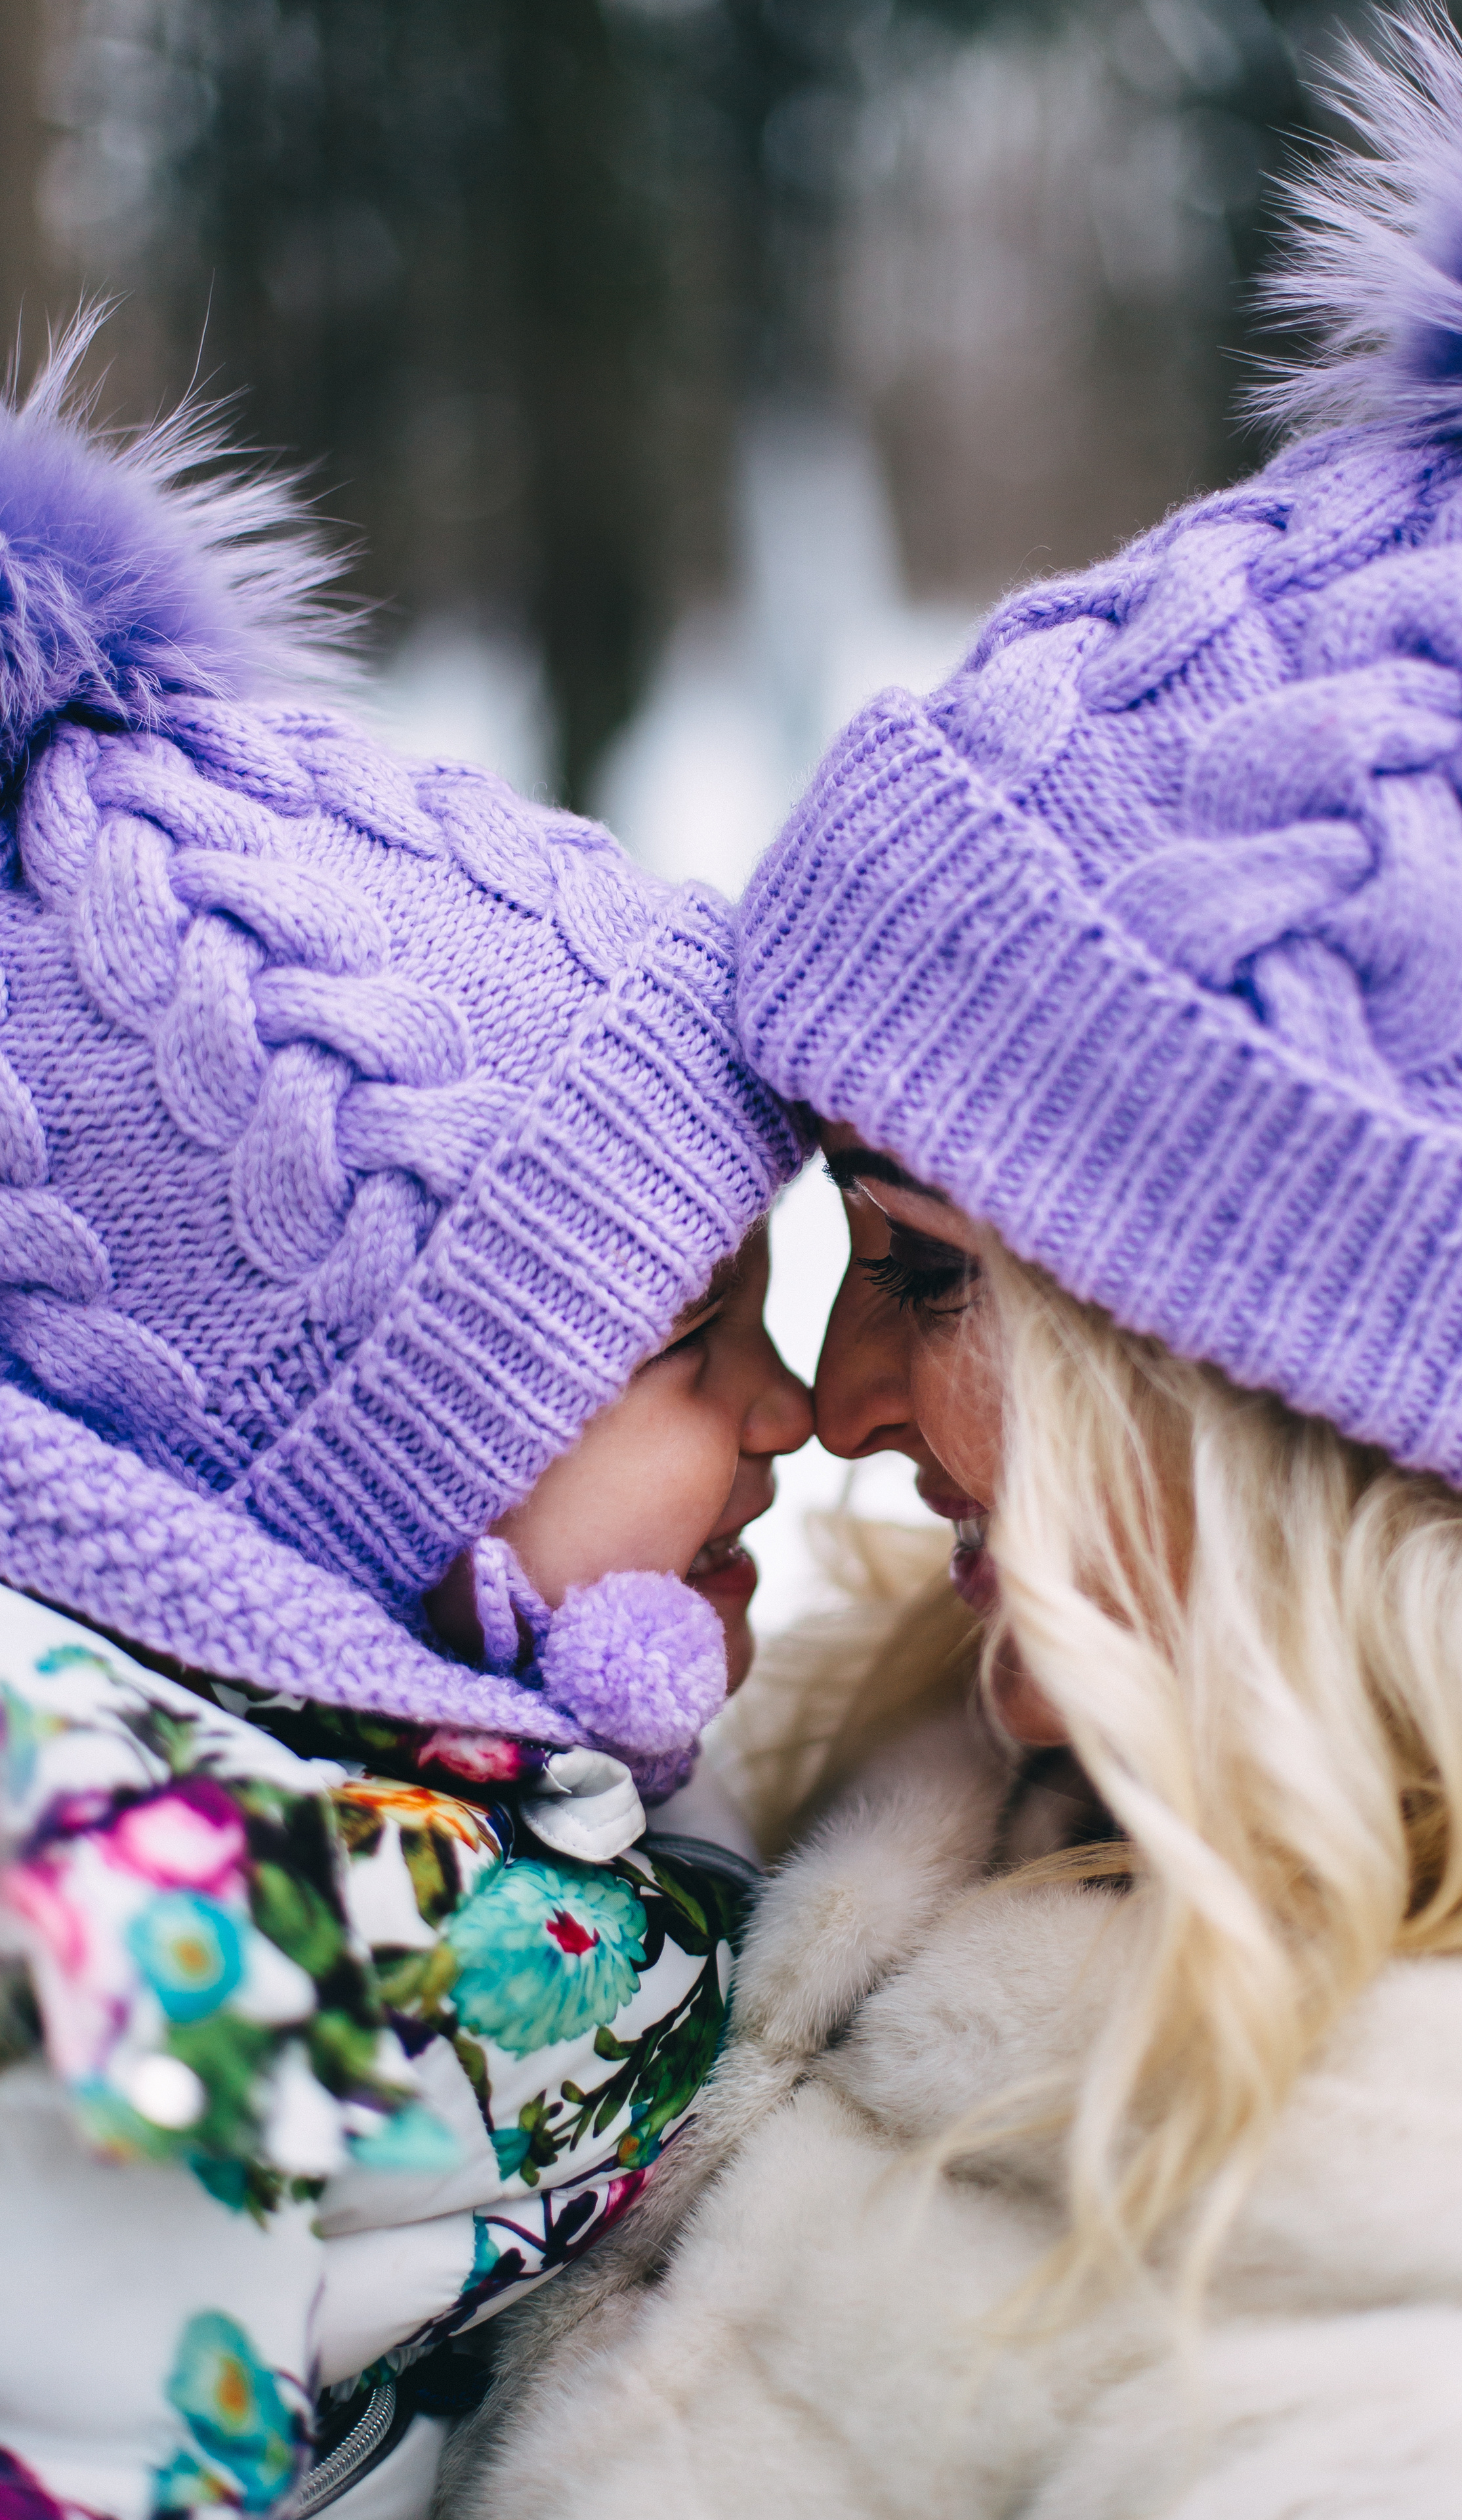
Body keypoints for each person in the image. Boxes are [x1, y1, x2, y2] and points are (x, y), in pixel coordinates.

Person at [446, 3, 1462, 2510]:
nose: (841, 1399)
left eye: (922, 1268)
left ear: (1298, 1368)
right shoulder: (933, 1768)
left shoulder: (1437, 2392)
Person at [0, 335, 812, 2518]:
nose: (799, 1410)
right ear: (334, 1504)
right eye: (693, 1341)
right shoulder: (107, 2011)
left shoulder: (414, 1886)